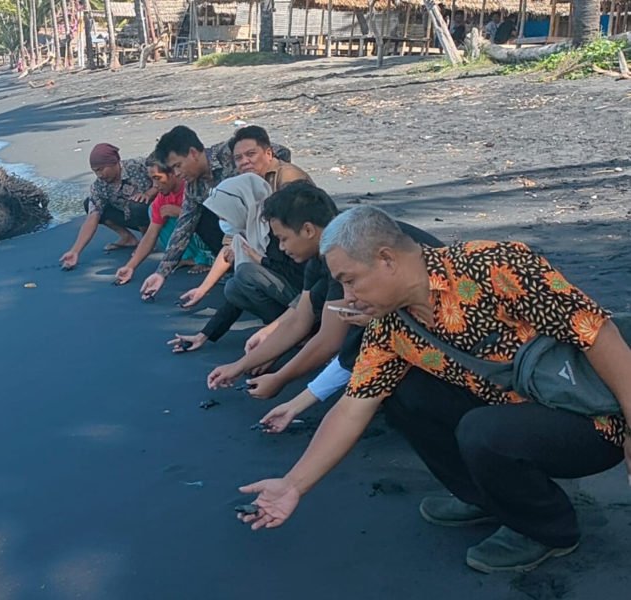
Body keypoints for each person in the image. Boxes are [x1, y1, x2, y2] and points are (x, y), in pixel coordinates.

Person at [238, 205, 631, 574]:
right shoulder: (390, 327)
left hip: (593, 419)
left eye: (350, 280)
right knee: (404, 392)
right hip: (514, 413)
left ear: (387, 259)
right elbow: (353, 407)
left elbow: (599, 335)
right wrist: (293, 484)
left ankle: (548, 530)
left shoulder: (492, 265)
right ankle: (488, 498)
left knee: (482, 431)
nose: (348, 297)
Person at [207, 183, 442, 401]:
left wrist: (280, 379)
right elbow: (299, 320)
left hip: (441, 320)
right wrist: (240, 365)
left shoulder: (346, 253)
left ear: (308, 230)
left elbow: (329, 340)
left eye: (283, 238)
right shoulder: (322, 255)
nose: (281, 247)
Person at [137, 125, 291, 300]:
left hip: (270, 220)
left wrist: (264, 183)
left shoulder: (229, 152)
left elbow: (281, 151)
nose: (177, 173)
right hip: (238, 233)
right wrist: (161, 273)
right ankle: (233, 267)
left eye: (178, 166)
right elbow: (183, 228)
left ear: (193, 153)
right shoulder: (193, 187)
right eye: (173, 169)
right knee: (202, 217)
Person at [167, 173, 303, 353]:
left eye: (225, 216)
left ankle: (297, 330)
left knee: (246, 272)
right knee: (233, 287)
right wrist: (204, 335)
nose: (223, 222)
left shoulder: (274, 229)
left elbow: (298, 272)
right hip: (290, 297)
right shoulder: (247, 234)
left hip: (306, 298)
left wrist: (261, 260)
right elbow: (238, 295)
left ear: (241, 207)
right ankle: (284, 329)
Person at [114, 155, 213, 285]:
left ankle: (208, 258)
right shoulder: (162, 197)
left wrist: (179, 212)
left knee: (193, 216)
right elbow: (151, 234)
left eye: (157, 178)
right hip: (190, 231)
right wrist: (130, 266)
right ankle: (189, 256)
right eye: (152, 179)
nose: (155, 185)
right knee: (154, 211)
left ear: (173, 173)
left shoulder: (193, 186)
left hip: (215, 234)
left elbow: (213, 218)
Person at [59, 143, 157, 270]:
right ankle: (127, 238)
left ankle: (147, 243)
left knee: (138, 204)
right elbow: (92, 217)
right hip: (130, 216)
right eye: (95, 171)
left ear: (115, 163)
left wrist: (149, 193)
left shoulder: (137, 166)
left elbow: (163, 174)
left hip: (154, 215)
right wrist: (75, 251)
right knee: (89, 204)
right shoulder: (99, 186)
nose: (99, 175)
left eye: (101, 169)